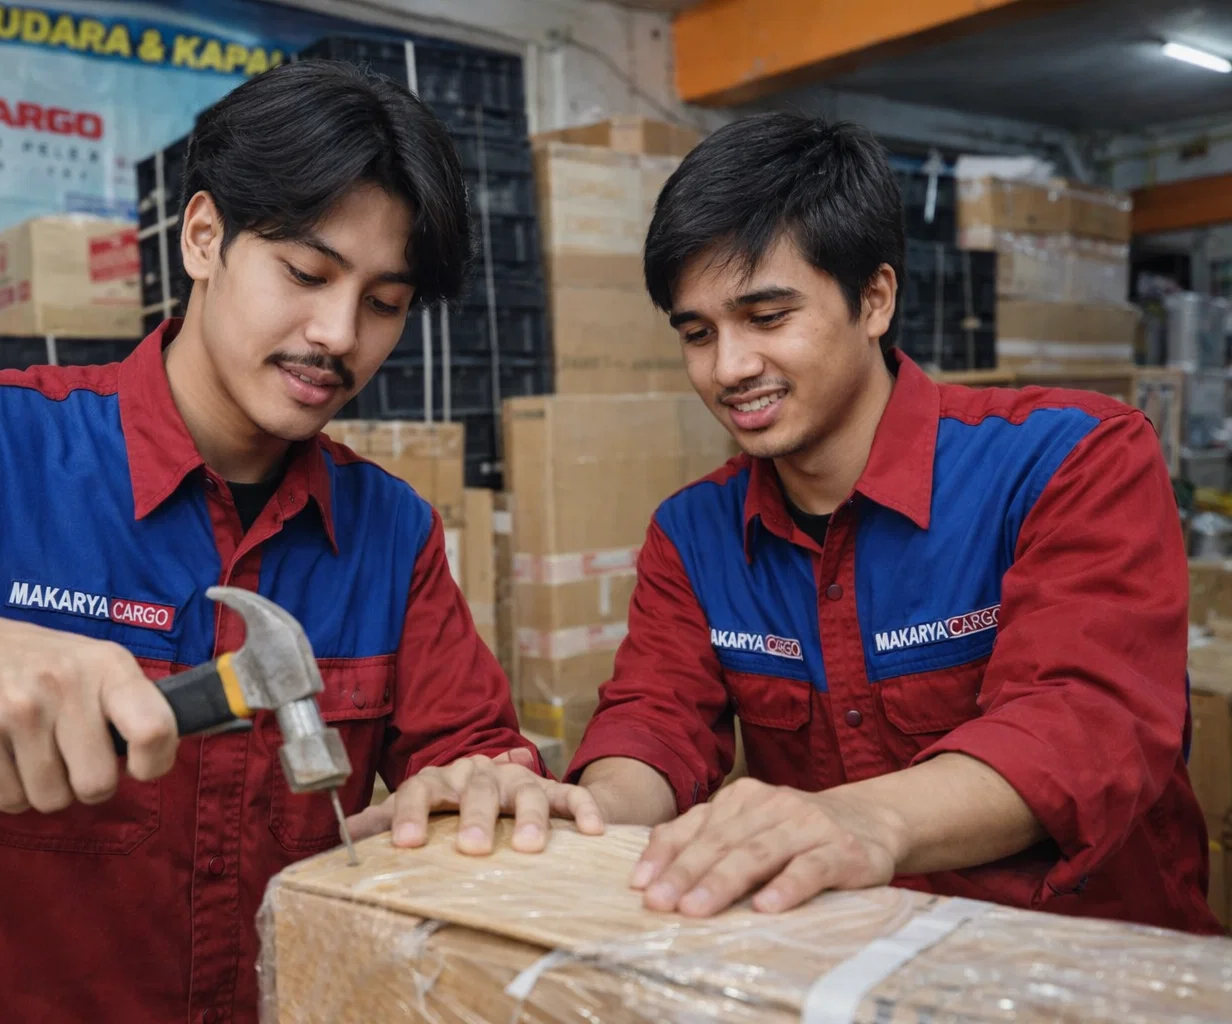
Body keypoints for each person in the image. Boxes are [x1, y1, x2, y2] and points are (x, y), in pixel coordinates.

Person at [0, 59, 599, 1024]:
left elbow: (471, 751)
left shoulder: (390, 530)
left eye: (384, 303)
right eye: (305, 272)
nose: (338, 334)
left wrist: (486, 789)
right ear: (203, 236)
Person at [380, 111, 1220, 936]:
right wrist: (584, 811)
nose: (729, 368)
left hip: (1088, 971)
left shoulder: (1069, 459)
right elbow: (656, 719)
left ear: (875, 299)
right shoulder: (694, 532)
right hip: (837, 976)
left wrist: (864, 821)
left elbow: (1083, 722)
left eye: (767, 317)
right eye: (698, 333)